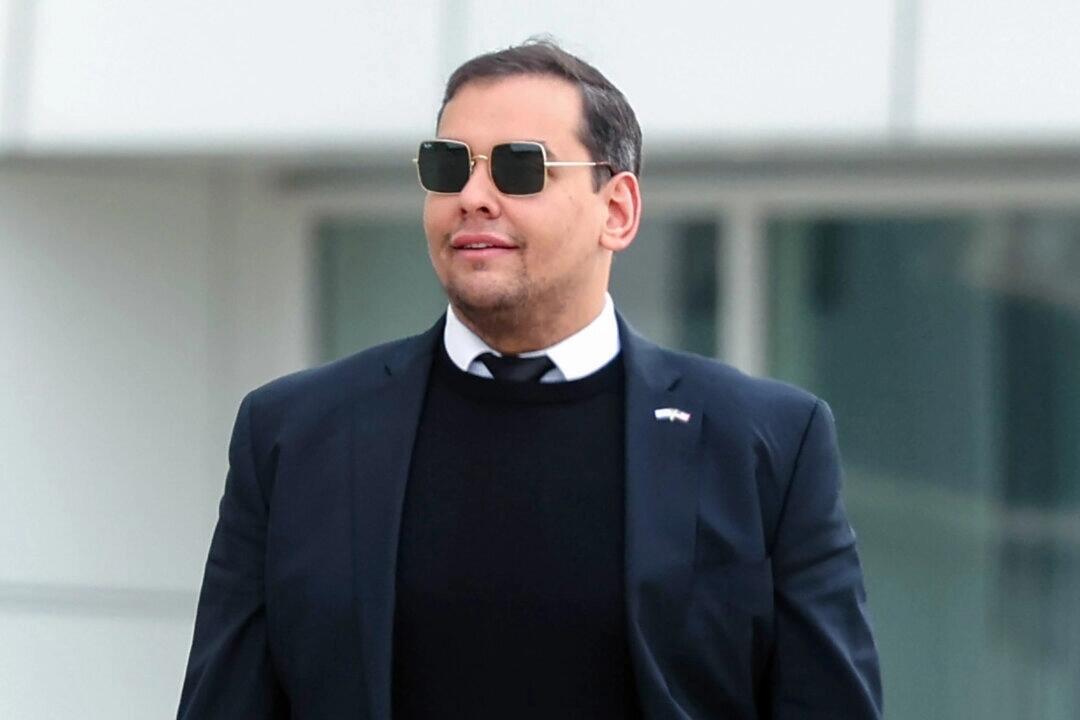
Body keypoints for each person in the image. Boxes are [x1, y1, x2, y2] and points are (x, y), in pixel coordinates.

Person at [178, 40, 882, 720]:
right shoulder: (293, 436)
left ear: (618, 211)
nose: (473, 196)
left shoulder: (765, 442)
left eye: (521, 168)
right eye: (448, 165)